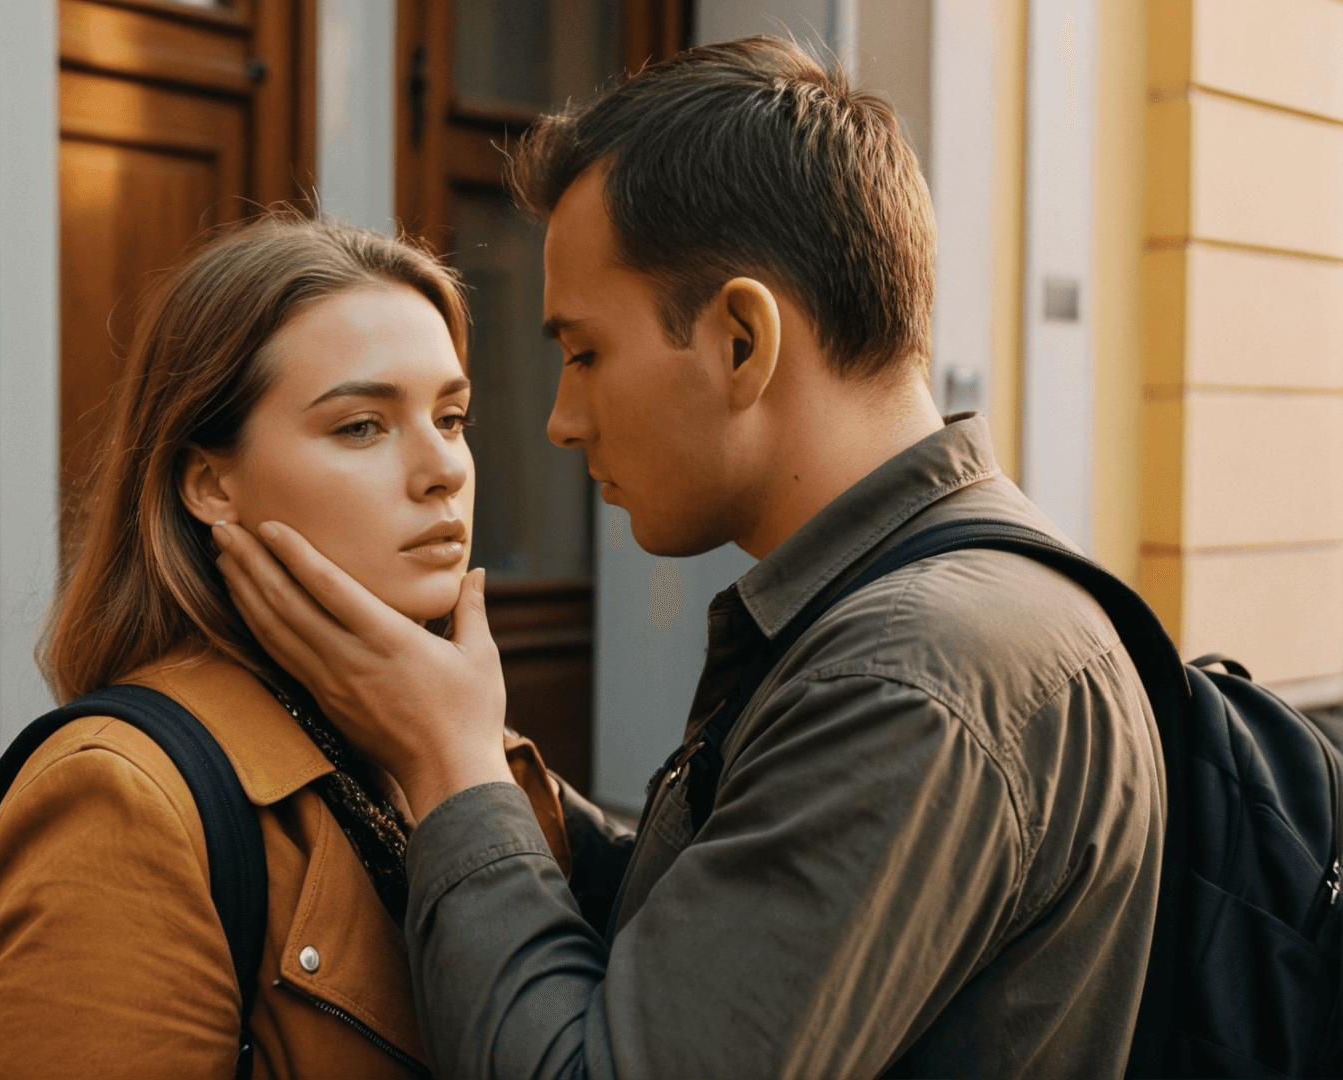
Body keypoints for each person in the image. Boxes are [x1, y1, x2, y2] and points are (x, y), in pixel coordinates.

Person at [214, 37, 1167, 1080]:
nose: (560, 423)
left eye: (582, 354)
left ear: (741, 343)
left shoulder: (909, 678)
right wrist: (472, 749)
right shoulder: (934, 617)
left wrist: (448, 766)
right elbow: (715, 935)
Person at [0, 214, 569, 1078]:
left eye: (454, 415)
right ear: (211, 483)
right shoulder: (123, 802)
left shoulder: (449, 738)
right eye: (362, 425)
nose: (445, 469)